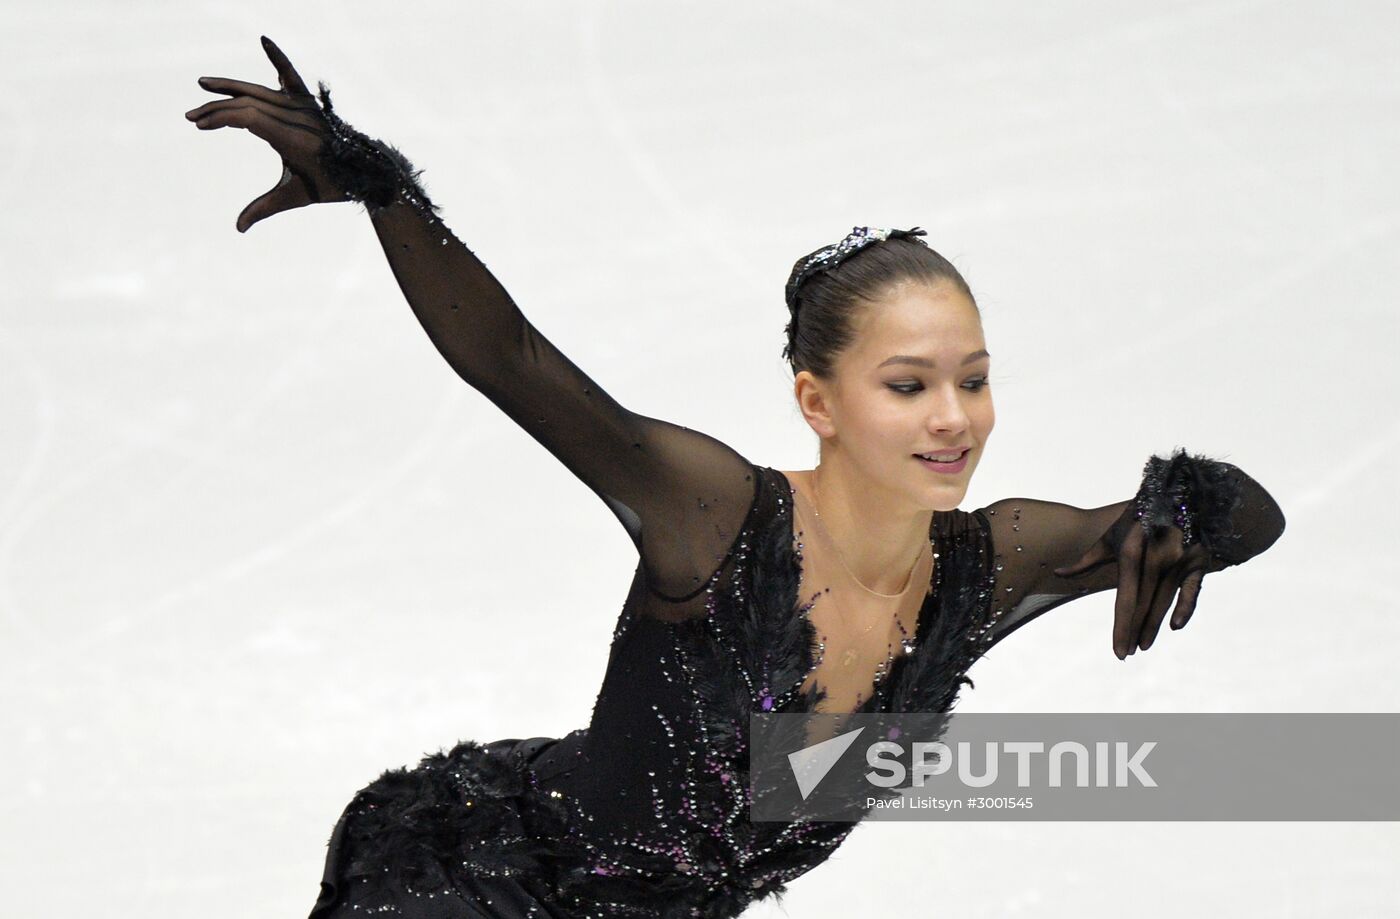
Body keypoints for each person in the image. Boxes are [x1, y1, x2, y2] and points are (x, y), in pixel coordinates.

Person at [184, 37, 1286, 919]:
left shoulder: (986, 566)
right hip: (484, 889)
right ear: (820, 403)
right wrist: (381, 186)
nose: (952, 418)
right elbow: (511, 362)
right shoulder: (714, 517)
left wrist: (1177, 501)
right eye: (906, 386)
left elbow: (1252, 516)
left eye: (973, 380)